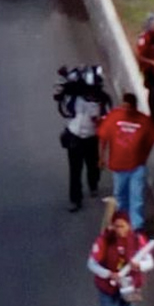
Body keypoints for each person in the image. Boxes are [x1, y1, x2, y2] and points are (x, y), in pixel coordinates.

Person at [88, 211, 154, 306]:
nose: (119, 230)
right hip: (108, 290)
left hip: (128, 289)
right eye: (116, 226)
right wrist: (108, 274)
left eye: (122, 226)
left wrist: (139, 265)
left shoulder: (137, 239)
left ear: (129, 226)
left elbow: (150, 262)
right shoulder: (104, 240)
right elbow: (92, 264)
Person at [98, 93, 154, 233]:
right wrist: (101, 157)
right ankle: (123, 221)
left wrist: (143, 159)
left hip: (137, 166)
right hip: (118, 166)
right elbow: (103, 138)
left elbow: (150, 142)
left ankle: (137, 226)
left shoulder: (144, 121)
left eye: (128, 107)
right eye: (123, 106)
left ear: (134, 107)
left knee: (137, 197)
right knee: (120, 195)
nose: (125, 110)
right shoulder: (114, 117)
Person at [62, 68, 112, 212]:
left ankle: (93, 184)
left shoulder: (103, 101)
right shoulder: (74, 98)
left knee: (93, 165)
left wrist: (100, 121)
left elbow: (107, 119)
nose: (90, 93)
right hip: (75, 136)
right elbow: (66, 109)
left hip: (92, 137)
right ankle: (75, 199)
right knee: (75, 170)